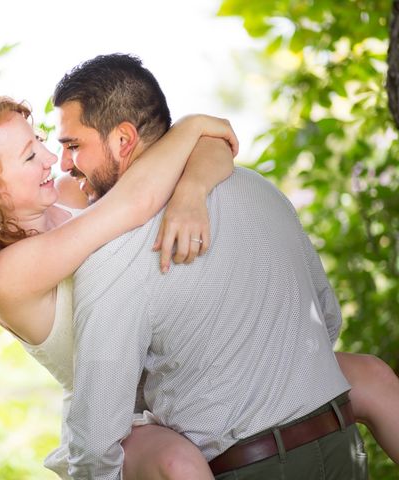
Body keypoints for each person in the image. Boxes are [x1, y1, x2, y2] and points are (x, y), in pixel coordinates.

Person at [53, 53, 399, 479]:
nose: (65, 165)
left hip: (248, 469)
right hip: (342, 442)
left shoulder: (115, 253)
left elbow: (97, 438)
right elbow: (326, 320)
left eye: (73, 146)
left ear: (123, 139)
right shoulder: (257, 188)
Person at [0, 95, 241, 478]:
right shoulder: (7, 275)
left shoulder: (71, 195)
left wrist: (193, 189)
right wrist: (191, 125)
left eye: (39, 139)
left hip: (175, 382)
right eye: (29, 156)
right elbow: (137, 201)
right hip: (117, 422)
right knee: (180, 467)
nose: (51, 158)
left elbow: (212, 152)